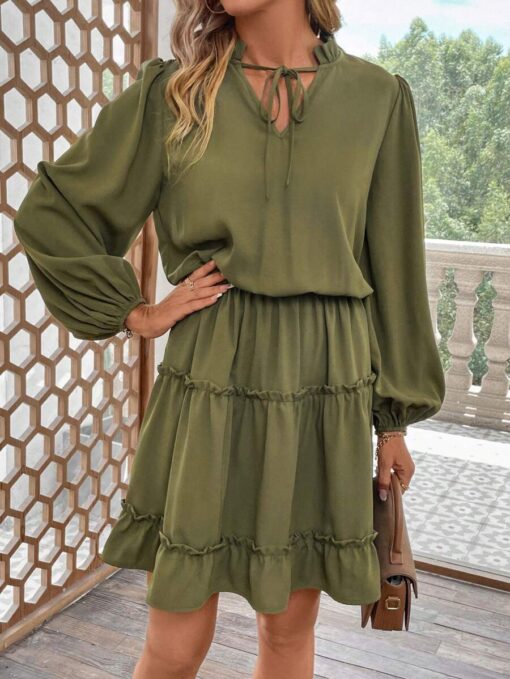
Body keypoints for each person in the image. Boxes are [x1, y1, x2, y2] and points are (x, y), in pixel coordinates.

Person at [13, 0, 446, 677]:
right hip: (211, 377)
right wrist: (136, 313)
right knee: (175, 642)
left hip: (324, 384)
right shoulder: (175, 93)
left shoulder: (378, 98)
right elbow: (54, 212)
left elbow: (394, 267)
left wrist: (394, 421)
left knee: (288, 633)